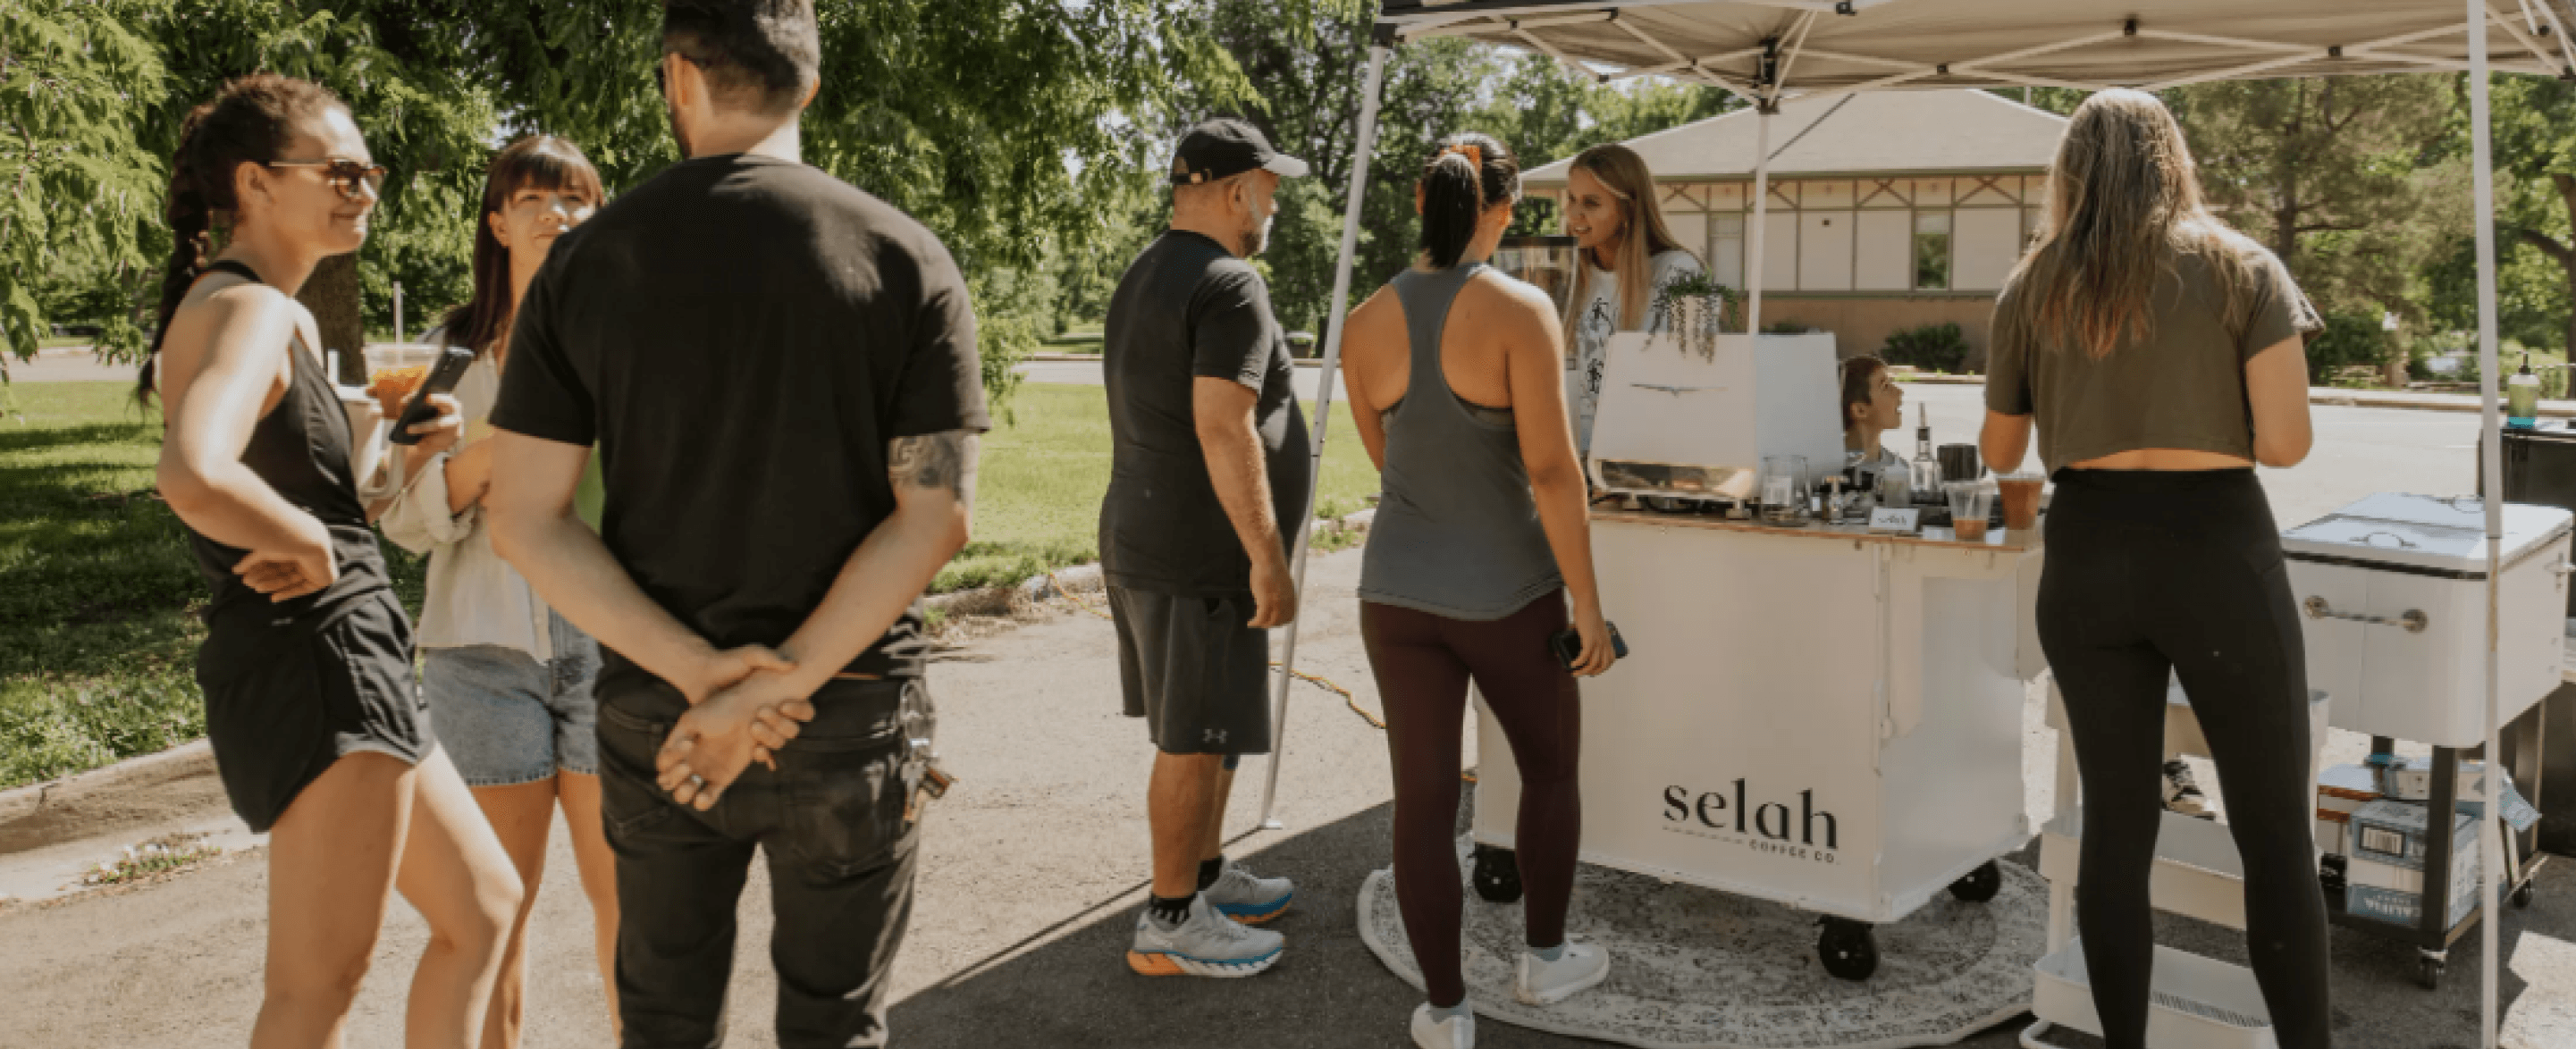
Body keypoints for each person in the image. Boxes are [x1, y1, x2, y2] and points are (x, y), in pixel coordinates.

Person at [480, 2, 985, 1045]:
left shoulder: (585, 263)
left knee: (664, 1024)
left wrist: (707, 676)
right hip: (847, 707)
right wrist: (778, 681)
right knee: (834, 1026)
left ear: (678, 78)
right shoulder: (906, 256)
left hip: (660, 714)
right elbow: (934, 517)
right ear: (810, 84)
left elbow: (524, 520)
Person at [142, 73, 522, 1047]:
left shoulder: (283, 311)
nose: (364, 190)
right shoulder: (251, 310)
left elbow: (326, 494)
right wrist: (304, 542)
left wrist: (404, 454)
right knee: (316, 989)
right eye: (340, 172)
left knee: (483, 908)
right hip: (318, 659)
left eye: (370, 172)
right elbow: (191, 472)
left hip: (345, 650)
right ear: (256, 182)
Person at [1980, 88, 2326, 1049]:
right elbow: (2286, 444)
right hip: (2215, 547)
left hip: (2087, 552)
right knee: (2271, 834)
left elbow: (2001, 451)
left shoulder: (2033, 283)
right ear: (2174, 158)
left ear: (2069, 173)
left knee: (2116, 826)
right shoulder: (2241, 266)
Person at [1339, 132, 1621, 1049]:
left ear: (1423, 201)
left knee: (1421, 803)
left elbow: (1387, 461)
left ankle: (1446, 1012)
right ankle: (1543, 959)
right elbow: (1552, 472)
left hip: (1395, 595)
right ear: (1501, 210)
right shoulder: (1520, 308)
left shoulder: (1363, 321)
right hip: (1509, 592)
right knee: (1548, 769)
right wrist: (1587, 604)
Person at [375, 133, 619, 1049]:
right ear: (498, 223)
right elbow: (400, 519)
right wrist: (475, 467)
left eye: (575, 199)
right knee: (495, 909)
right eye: (532, 199)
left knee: (627, 899)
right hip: (479, 656)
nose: (556, 214)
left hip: (608, 644)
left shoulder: (631, 343)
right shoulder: (446, 359)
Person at [1098, 117, 1309, 978]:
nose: (1275, 208)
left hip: (1156, 535)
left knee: (1213, 723)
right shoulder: (1230, 282)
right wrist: (1268, 553)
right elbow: (1224, 426)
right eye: (1270, 191)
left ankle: (1208, 875)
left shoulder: (1147, 270)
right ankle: (1171, 919)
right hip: (1196, 550)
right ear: (1235, 191)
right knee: (1190, 736)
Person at [1559, 143, 1707, 461]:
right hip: (1570, 462)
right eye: (1570, 199)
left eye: (1591, 203)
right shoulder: (1563, 275)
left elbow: (1692, 382)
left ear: (1629, 209)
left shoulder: (1680, 273)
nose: (1573, 214)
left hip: (1649, 463)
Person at [1837, 354, 1906, 479]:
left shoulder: (1899, 467)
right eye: (1885, 386)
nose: (1899, 391)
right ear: (1860, 410)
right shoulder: (1832, 472)